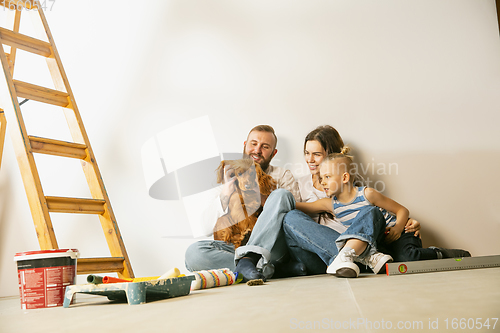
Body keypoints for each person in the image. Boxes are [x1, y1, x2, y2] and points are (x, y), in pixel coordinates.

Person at [296, 151, 471, 277]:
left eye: (327, 177)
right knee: (395, 265)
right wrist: (273, 198)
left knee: (409, 258)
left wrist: (397, 228)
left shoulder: (367, 194)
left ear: (344, 178)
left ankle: (440, 253)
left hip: (399, 234)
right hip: (377, 243)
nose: (322, 182)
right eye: (321, 178)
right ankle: (362, 255)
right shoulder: (330, 204)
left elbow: (402, 210)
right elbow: (302, 207)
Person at [284, 125, 420, 276]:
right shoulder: (300, 185)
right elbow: (292, 211)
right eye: (306, 153)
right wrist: (266, 202)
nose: (310, 159)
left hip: (363, 246)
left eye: (316, 154)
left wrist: (404, 223)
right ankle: (362, 258)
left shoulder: (353, 185)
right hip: (324, 254)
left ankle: (354, 256)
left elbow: (374, 212)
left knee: (371, 211)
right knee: (290, 217)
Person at [184, 125, 303, 281]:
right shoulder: (226, 175)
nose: (257, 150)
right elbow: (204, 228)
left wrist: (257, 195)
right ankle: (271, 269)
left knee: (281, 194)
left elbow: (294, 219)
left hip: (271, 246)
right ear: (245, 145)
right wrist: (226, 193)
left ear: (273, 153)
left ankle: (251, 264)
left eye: (265, 147)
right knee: (193, 254)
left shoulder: (282, 175)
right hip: (234, 246)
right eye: (253, 144)